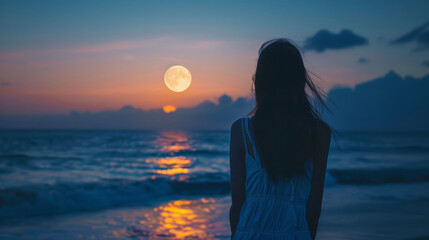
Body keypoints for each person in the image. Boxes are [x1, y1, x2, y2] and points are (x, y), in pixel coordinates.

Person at [229, 39, 331, 240]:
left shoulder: (241, 131)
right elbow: (313, 208)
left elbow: (238, 205)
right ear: (300, 80)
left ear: (260, 82)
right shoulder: (319, 133)